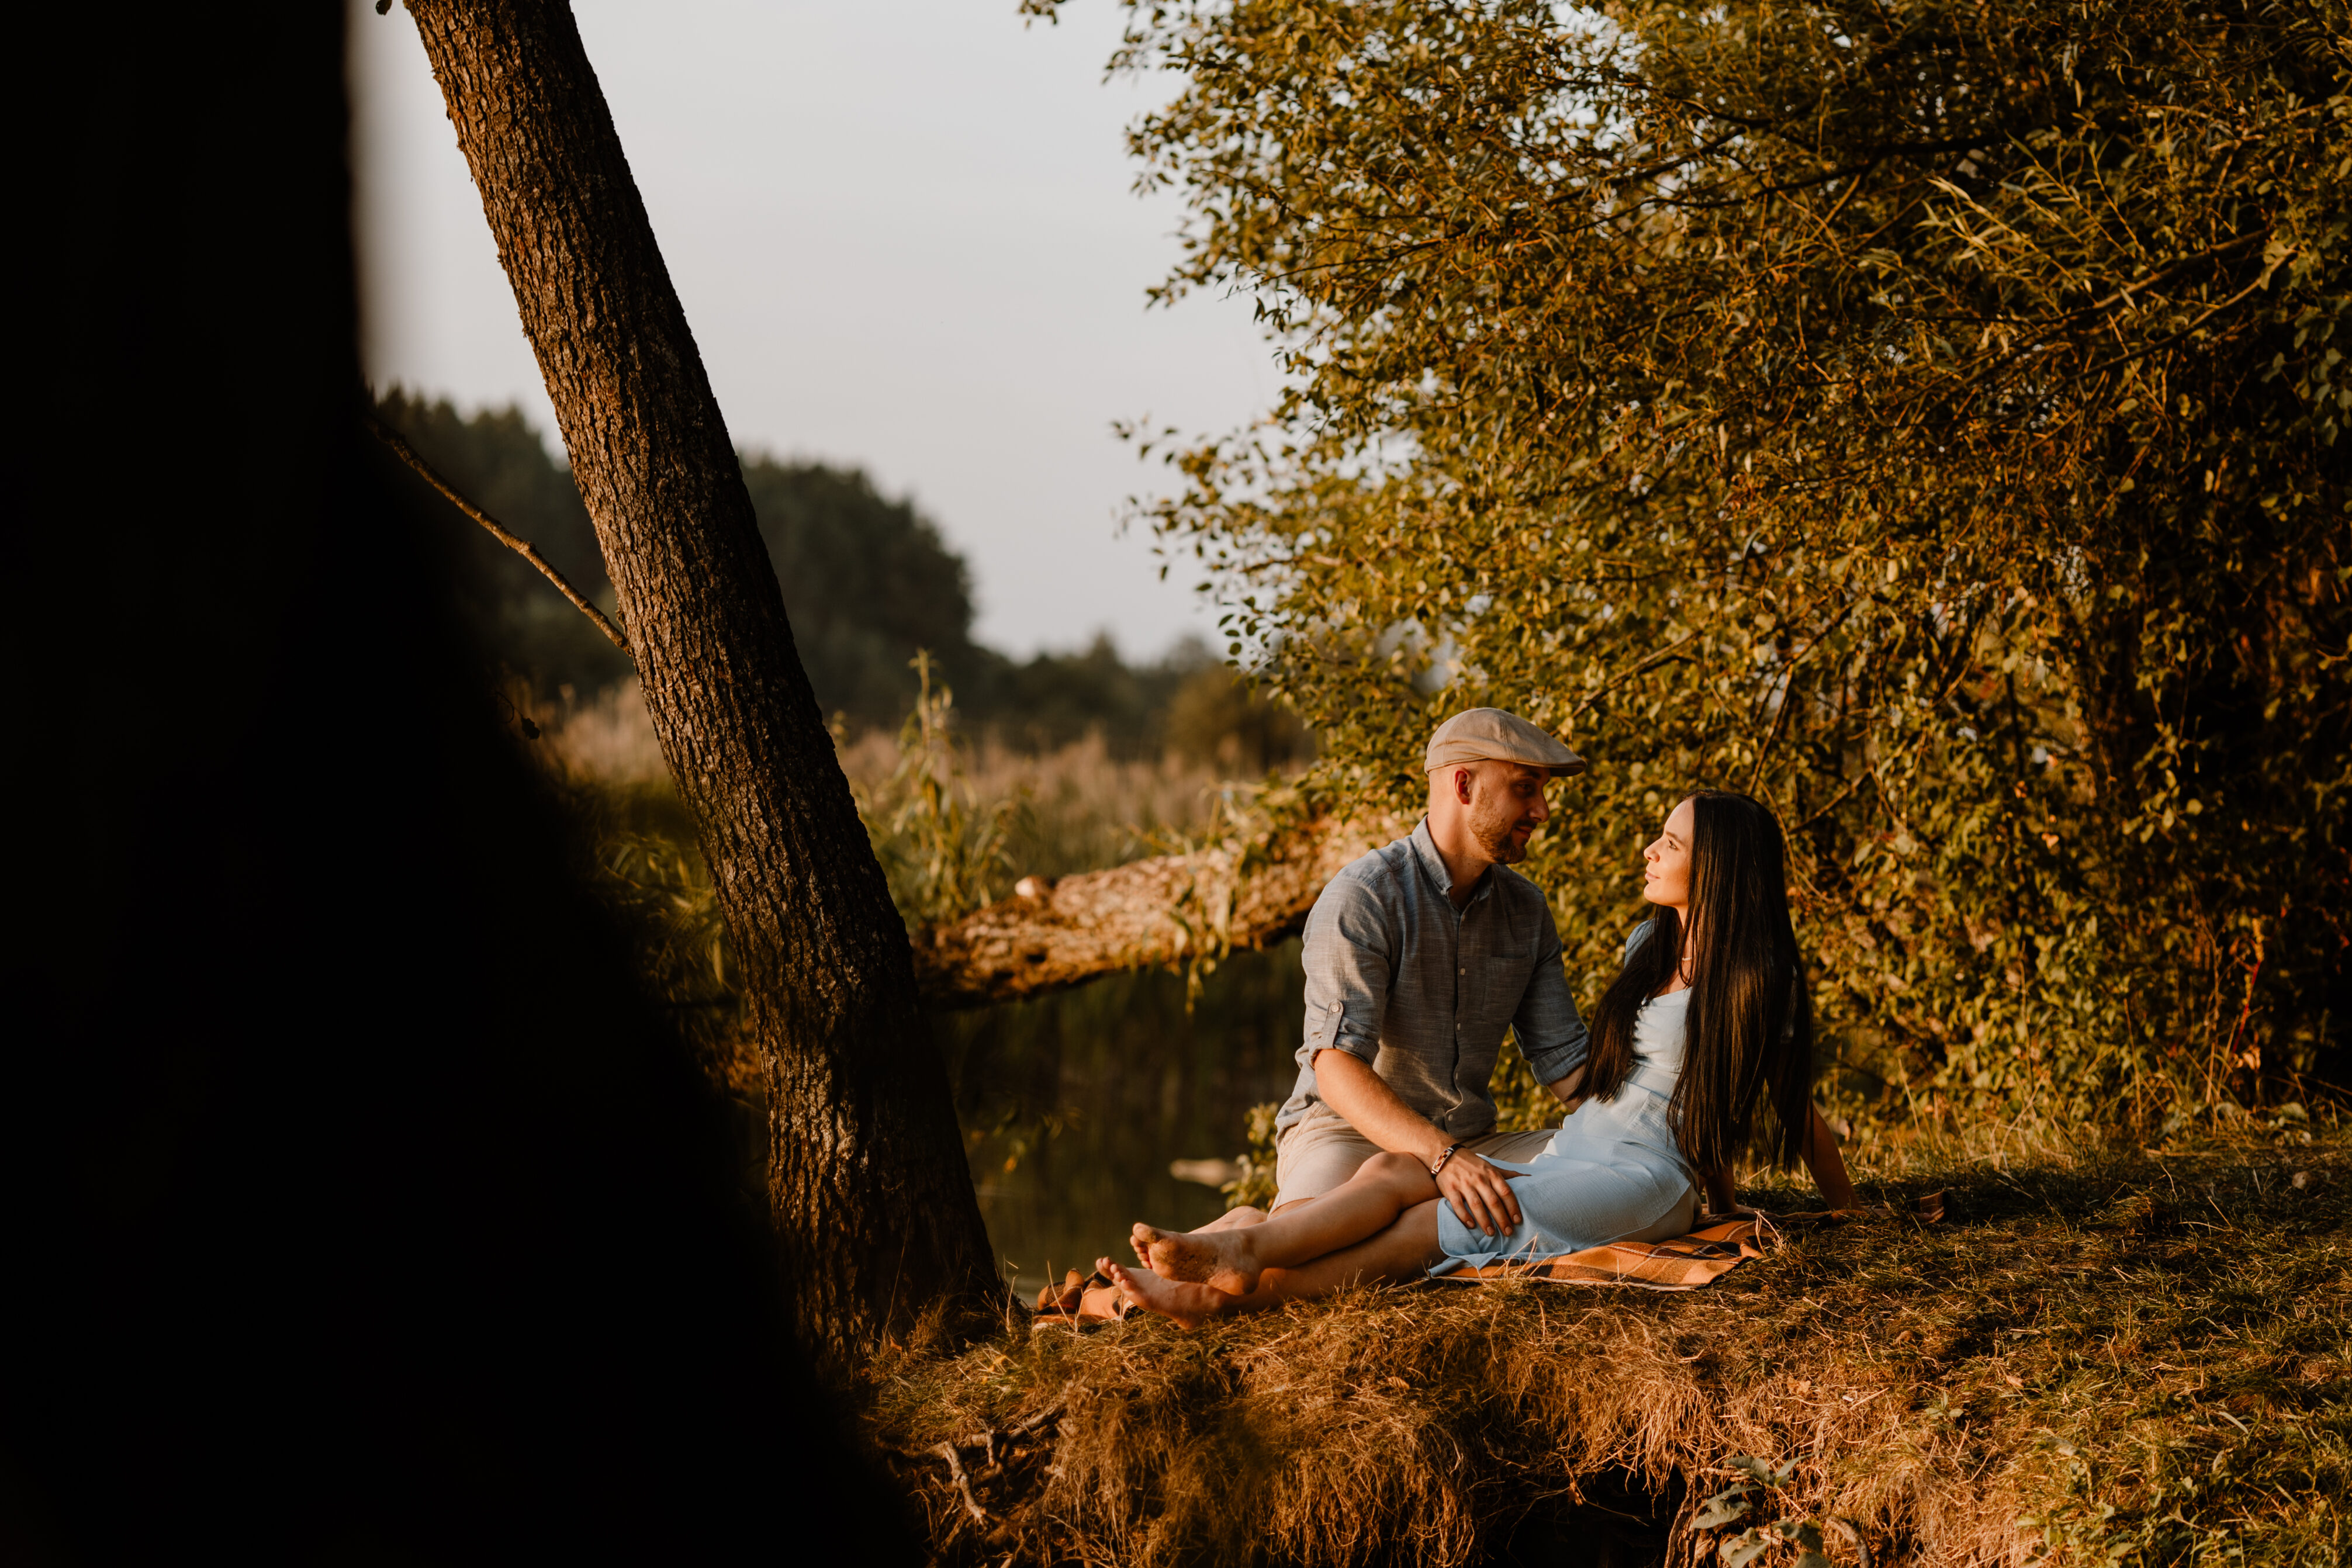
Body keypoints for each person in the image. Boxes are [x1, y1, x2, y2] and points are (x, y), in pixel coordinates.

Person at [1108, 789, 1859, 1325]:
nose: (1650, 848)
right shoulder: (1648, 945)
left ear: (1719, 867)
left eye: (1671, 841)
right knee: (1399, 1169)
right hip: (1572, 1152)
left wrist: (1847, 1212)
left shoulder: (1759, 977)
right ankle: (1247, 1244)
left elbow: (1782, 1098)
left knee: (1431, 1225)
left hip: (1642, 1177)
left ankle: (1225, 1294)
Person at [1216, 707, 1595, 1254]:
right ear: (1463, 784)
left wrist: (1646, 1132)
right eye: (1524, 788)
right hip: (1349, 1133)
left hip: (1473, 1140)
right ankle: (1249, 1232)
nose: (1542, 810)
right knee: (1303, 1258)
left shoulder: (1527, 911)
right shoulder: (1365, 896)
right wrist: (1442, 1158)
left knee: (1611, 1176)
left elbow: (1568, 1065)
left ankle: (1261, 1229)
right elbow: (1336, 1069)